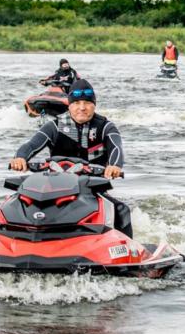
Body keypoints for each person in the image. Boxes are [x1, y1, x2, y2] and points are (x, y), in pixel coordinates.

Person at [9, 79, 132, 237]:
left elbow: (116, 148)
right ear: (69, 105)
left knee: (122, 210)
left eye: (87, 103)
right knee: (16, 204)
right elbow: (31, 145)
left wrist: (114, 166)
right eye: (77, 103)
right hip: (55, 189)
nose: (82, 107)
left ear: (94, 105)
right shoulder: (54, 126)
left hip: (92, 190)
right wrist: (20, 158)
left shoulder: (106, 127)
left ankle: (128, 248)